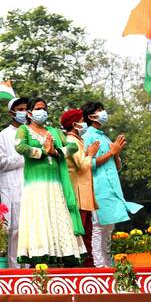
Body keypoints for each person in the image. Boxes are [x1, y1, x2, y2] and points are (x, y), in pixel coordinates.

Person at [14, 97, 85, 265]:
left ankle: (63, 255)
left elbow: (73, 146)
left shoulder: (53, 132)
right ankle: (40, 256)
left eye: (44, 108)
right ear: (30, 113)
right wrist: (43, 151)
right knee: (39, 218)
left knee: (58, 217)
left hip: (56, 184)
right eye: (38, 108)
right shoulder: (24, 130)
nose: (42, 111)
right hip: (36, 186)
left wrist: (56, 152)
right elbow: (20, 147)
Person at [81, 100, 141, 266]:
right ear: (90, 116)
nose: (103, 113)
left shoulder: (105, 137)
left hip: (112, 188)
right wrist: (111, 152)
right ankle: (99, 265)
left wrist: (115, 153)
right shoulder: (86, 138)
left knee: (109, 228)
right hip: (97, 187)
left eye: (102, 109)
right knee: (99, 227)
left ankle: (108, 264)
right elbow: (89, 164)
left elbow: (118, 166)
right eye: (99, 110)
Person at [61, 108, 100, 265]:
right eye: (82, 120)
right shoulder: (71, 142)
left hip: (84, 193)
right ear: (75, 124)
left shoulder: (77, 140)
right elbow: (83, 165)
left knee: (87, 232)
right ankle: (82, 267)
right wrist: (90, 154)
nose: (85, 123)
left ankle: (88, 265)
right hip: (77, 195)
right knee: (80, 233)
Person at [0, 97, 29, 262]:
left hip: (30, 186)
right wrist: (22, 158)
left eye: (26, 109)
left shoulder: (31, 132)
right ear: (11, 113)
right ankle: (14, 268)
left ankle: (30, 270)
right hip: (11, 187)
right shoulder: (4, 135)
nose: (24, 112)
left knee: (30, 229)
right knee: (14, 229)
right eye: (20, 109)